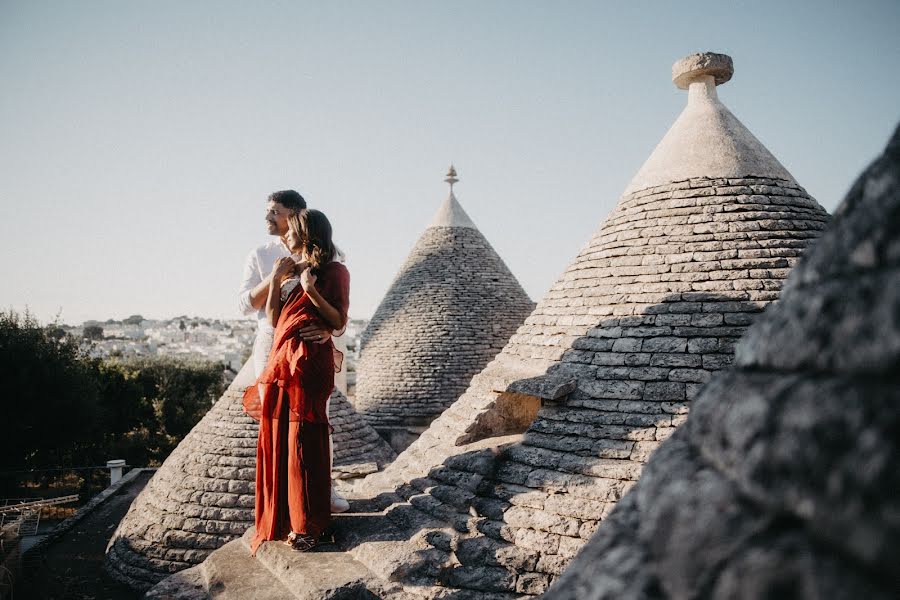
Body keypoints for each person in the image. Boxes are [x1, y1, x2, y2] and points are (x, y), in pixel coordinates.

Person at [243, 208, 350, 554]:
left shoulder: (334, 271)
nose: (285, 233)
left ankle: (308, 523)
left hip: (309, 365)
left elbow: (337, 319)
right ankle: (285, 518)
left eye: (292, 230)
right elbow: (274, 319)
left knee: (304, 442)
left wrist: (311, 292)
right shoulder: (290, 269)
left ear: (306, 234)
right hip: (281, 363)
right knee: (281, 440)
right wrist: (276, 281)